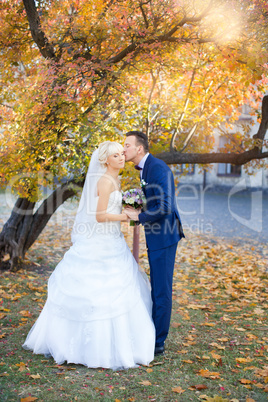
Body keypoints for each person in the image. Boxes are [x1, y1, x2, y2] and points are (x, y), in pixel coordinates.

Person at [23, 141, 155, 370]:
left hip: (113, 241)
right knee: (97, 291)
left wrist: (128, 209)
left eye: (122, 154)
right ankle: (85, 347)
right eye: (115, 156)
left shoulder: (115, 179)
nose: (122, 158)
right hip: (101, 242)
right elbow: (100, 216)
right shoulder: (104, 181)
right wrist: (127, 217)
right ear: (105, 161)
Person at [124, 131, 184, 356]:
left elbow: (166, 206)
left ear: (139, 148)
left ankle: (158, 341)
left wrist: (140, 217)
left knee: (161, 288)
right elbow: (154, 201)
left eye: (127, 145)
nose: (124, 149)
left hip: (165, 236)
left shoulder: (158, 168)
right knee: (156, 285)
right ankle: (154, 333)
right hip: (156, 234)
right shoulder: (145, 169)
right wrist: (138, 208)